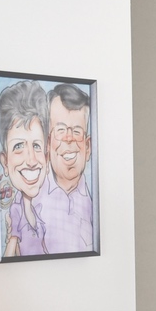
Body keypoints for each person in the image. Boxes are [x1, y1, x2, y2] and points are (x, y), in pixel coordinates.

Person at [39, 83, 95, 254]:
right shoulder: (31, 202)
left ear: (88, 147)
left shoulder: (100, 205)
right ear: (47, 143)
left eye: (77, 131)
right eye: (61, 130)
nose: (69, 139)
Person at [0, 80, 49, 257]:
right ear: (5, 162)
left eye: (36, 146)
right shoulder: (16, 210)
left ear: (47, 158)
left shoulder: (42, 208)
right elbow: (10, 251)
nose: (31, 160)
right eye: (18, 146)